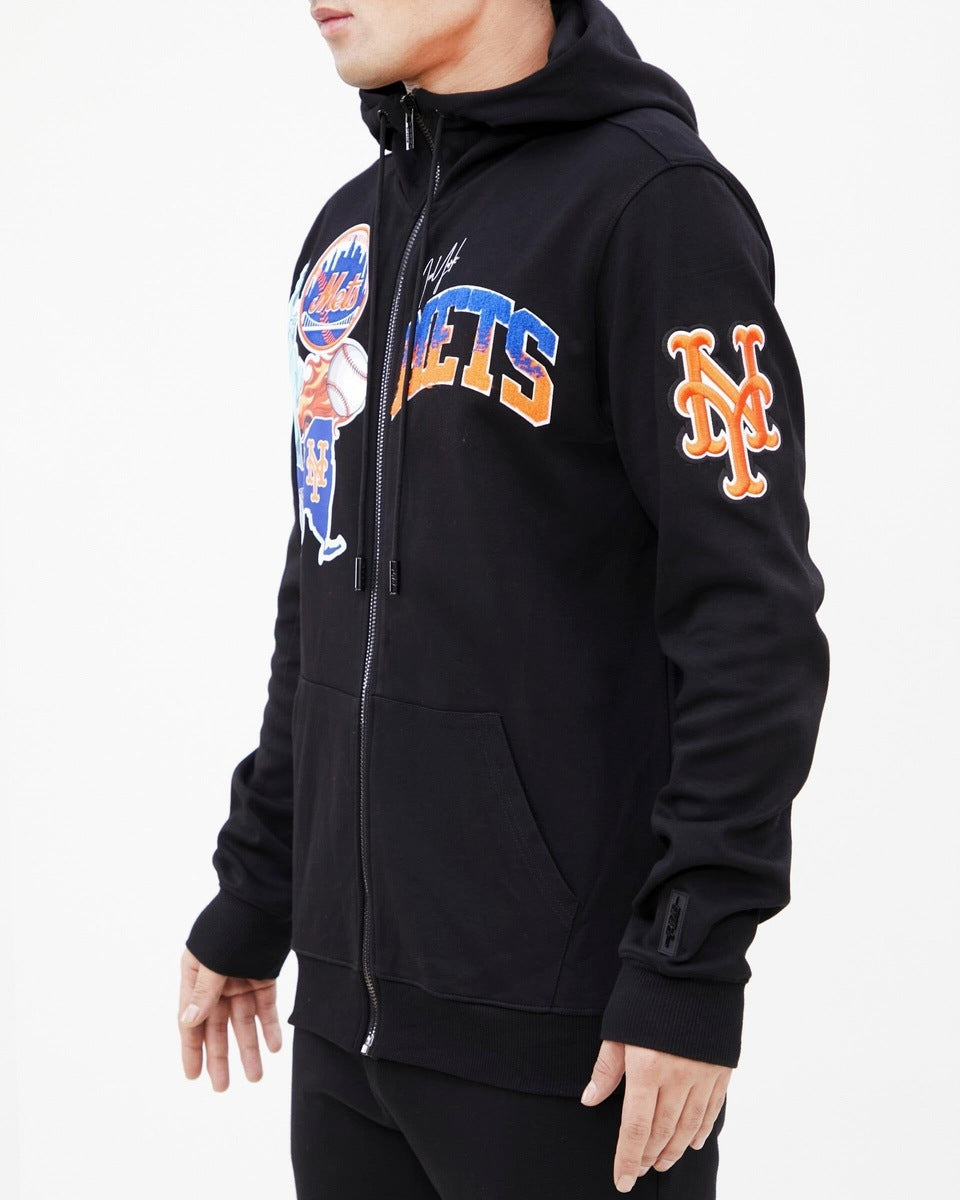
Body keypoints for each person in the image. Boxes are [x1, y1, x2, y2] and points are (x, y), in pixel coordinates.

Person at [178, 1, 830, 1195]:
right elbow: (320, 581)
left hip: (568, 1046)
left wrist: (689, 965)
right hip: (345, 1035)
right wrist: (259, 889)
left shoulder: (655, 208)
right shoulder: (349, 235)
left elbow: (751, 619)